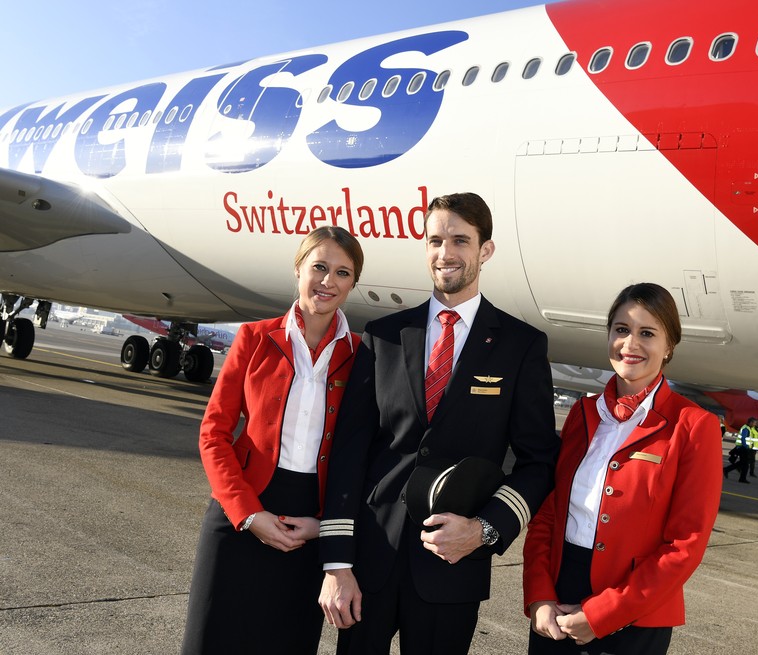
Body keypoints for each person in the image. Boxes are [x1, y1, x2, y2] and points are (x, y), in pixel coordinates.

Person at [318, 192, 560, 655]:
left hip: (453, 564)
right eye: (435, 240)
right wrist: (336, 562)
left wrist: (484, 529)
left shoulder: (520, 345)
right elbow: (348, 453)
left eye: (460, 241)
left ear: (484, 251)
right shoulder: (384, 336)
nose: (445, 253)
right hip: (371, 560)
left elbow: (539, 461)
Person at [181, 226, 365, 654]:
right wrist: (247, 514)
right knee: (209, 640)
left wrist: (326, 526)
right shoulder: (254, 337)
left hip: (309, 528)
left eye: (342, 272)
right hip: (240, 511)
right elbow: (214, 433)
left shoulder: (361, 356)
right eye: (318, 267)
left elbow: (362, 455)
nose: (327, 281)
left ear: (352, 284)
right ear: (298, 268)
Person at [522, 282, 723, 655]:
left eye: (647, 333)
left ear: (669, 347)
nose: (630, 344)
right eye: (621, 330)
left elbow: (685, 545)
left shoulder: (694, 426)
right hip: (556, 606)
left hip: (636, 615)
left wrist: (604, 614)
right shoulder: (583, 415)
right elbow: (549, 516)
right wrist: (538, 596)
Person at [724, 417, 754, 483]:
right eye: (753, 423)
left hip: (742, 448)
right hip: (743, 448)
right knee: (745, 464)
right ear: (750, 422)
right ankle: (742, 478)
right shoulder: (746, 428)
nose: (754, 424)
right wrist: (746, 446)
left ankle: (726, 470)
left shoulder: (747, 428)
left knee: (741, 463)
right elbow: (743, 439)